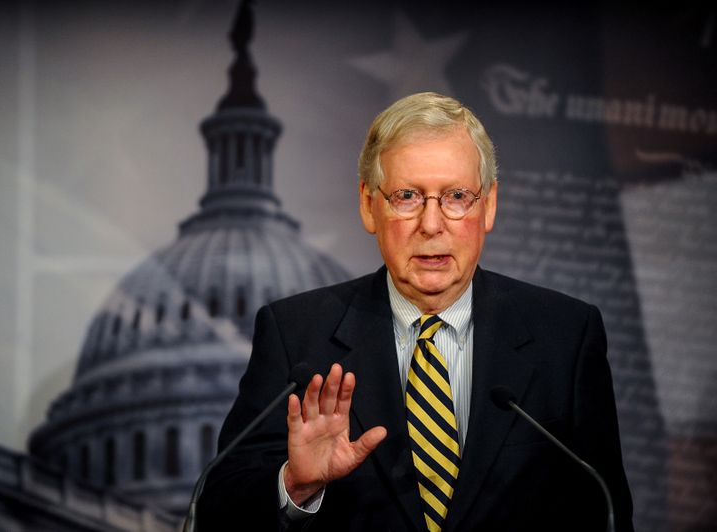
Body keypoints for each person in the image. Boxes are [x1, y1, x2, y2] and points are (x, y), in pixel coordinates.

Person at [198, 92, 633, 531]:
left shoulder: (566, 336)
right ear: (369, 205)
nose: (431, 224)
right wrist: (294, 485)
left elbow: (606, 513)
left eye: (456, 196)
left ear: (489, 205)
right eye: (407, 196)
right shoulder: (296, 335)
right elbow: (217, 512)